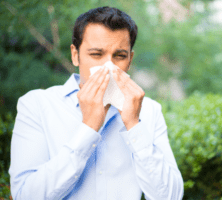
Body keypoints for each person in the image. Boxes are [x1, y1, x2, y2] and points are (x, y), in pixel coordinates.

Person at [9, 6, 184, 200]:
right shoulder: (37, 105)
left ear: (130, 60)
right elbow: (25, 196)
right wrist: (88, 128)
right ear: (75, 55)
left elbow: (170, 196)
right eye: (96, 54)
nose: (108, 67)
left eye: (119, 56)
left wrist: (134, 126)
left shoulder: (149, 110)